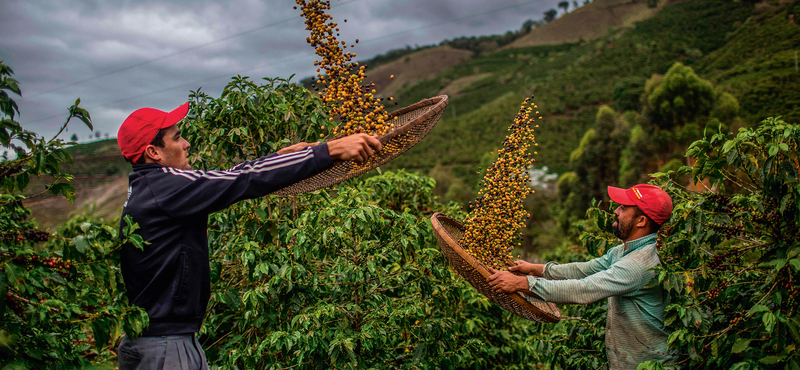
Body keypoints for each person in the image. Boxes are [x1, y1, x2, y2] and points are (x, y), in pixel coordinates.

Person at [114, 102, 382, 370]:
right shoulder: (166, 187)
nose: (186, 144)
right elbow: (244, 180)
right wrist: (330, 150)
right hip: (165, 348)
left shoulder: (150, 188)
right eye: (177, 137)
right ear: (153, 152)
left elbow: (227, 177)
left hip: (161, 340)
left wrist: (278, 157)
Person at [487, 184, 677, 369]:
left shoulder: (637, 265)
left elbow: (584, 288)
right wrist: (538, 269)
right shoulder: (623, 251)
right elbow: (585, 269)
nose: (616, 211)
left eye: (623, 207)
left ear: (641, 221)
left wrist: (521, 283)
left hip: (650, 364)